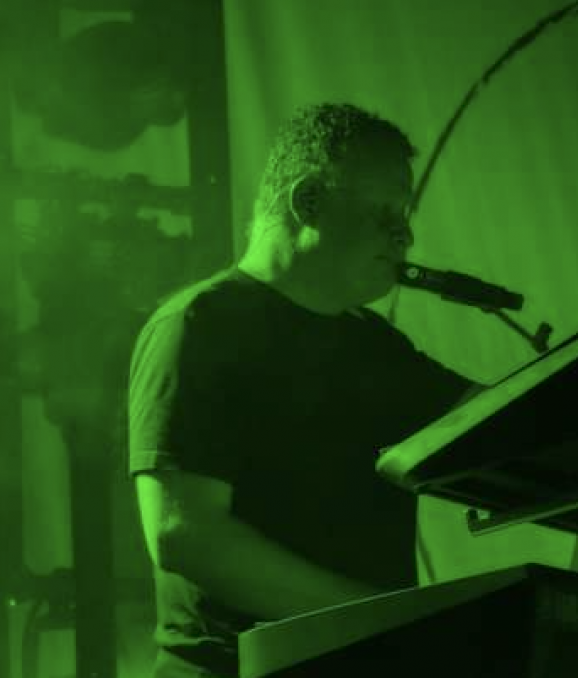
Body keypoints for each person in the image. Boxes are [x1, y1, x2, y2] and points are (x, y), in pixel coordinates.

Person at [128, 103, 478, 678]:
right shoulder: (201, 325)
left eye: (405, 217)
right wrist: (381, 617)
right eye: (386, 213)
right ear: (308, 200)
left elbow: (496, 424)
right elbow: (185, 535)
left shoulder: (375, 345)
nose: (405, 235)